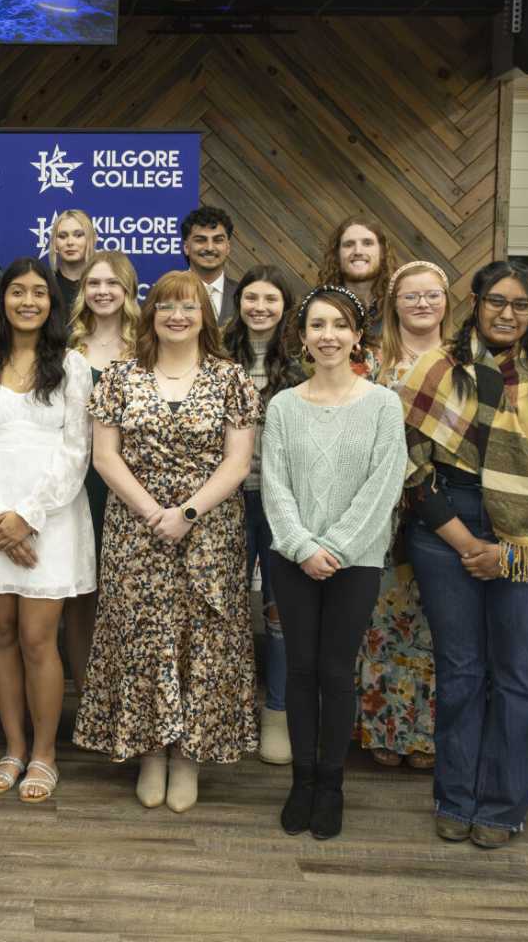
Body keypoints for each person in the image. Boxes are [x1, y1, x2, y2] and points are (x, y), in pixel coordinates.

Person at [396, 261, 528, 849]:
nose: (507, 314)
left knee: (517, 677)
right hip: (446, 523)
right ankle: (454, 797)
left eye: (520, 305)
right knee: (461, 671)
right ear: (476, 302)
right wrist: (465, 540)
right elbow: (411, 467)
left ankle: (502, 807)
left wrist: (509, 550)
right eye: (496, 302)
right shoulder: (435, 368)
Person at [75, 270, 262, 814]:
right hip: (136, 529)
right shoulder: (120, 377)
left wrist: (187, 511)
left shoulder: (230, 379)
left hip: (210, 531)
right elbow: (105, 456)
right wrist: (152, 511)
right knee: (143, 634)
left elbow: (238, 460)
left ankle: (188, 757)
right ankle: (149, 751)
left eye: (189, 307)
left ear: (205, 315)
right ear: (150, 315)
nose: (177, 317)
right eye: (165, 307)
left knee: (199, 637)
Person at [263, 285, 406, 839]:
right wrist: (302, 547)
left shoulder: (382, 404)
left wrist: (338, 549)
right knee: (299, 670)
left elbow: (384, 483)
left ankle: (331, 785)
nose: (329, 336)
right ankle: (301, 782)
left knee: (335, 671)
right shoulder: (283, 406)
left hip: (357, 561)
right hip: (292, 560)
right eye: (318, 326)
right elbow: (274, 487)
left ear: (357, 335)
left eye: (339, 326)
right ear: (302, 336)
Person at [0, 258, 95, 803]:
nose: (28, 301)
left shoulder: (73, 366)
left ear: (53, 303)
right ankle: (11, 747)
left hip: (49, 520)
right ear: (1, 299)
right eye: (17, 292)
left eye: (39, 292)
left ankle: (44, 754)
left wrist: (27, 517)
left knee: (38, 638)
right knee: (1, 634)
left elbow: (77, 449)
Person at [357, 261, 450, 772]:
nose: (421, 304)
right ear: (394, 304)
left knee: (438, 626)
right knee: (385, 620)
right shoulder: (371, 363)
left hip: (448, 510)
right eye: (410, 296)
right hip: (384, 509)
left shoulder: (462, 360)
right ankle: (384, 729)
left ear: (445, 300)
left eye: (431, 295)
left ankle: (429, 735)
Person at [221, 265, 304, 766]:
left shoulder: (302, 364)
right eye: (251, 297)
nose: (259, 307)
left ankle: (277, 711)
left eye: (270, 299)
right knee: (225, 611)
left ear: (284, 305)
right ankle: (230, 707)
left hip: (281, 502)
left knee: (280, 613)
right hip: (224, 501)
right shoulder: (215, 355)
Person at [64, 250, 139, 699]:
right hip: (77, 485)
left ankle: (125, 700)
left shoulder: (148, 347)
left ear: (128, 290)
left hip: (132, 484)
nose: (102, 291)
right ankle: (89, 697)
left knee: (126, 595)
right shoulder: (66, 346)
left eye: (112, 283)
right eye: (94, 283)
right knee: (81, 594)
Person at [318, 216, 391, 343]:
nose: (358, 251)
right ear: (337, 255)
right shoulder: (319, 307)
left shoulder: (399, 306)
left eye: (367, 243)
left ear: (382, 252)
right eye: (349, 244)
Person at [180, 206, 237, 322]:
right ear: (186, 247)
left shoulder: (243, 294)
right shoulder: (165, 294)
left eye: (218, 240)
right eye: (200, 240)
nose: (210, 248)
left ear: (228, 247)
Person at [48, 208, 96, 314]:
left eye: (78, 235)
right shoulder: (47, 286)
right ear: (55, 244)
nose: (70, 242)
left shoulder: (101, 286)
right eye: (62, 236)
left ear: (90, 240)